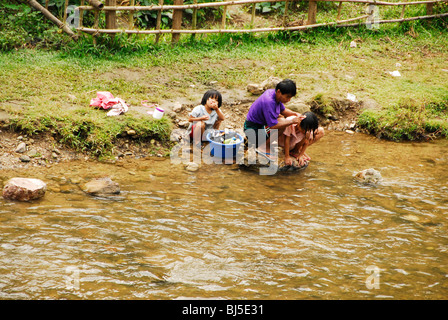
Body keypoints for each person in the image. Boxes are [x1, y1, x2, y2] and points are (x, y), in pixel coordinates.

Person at [244, 79, 305, 160]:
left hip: (260, 125)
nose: (289, 100)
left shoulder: (274, 93)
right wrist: (291, 121)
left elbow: (283, 111)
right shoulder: (269, 101)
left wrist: (295, 114)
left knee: (282, 119)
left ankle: (263, 143)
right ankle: (263, 146)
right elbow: (273, 126)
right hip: (252, 129)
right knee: (283, 124)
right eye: (287, 97)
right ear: (279, 92)